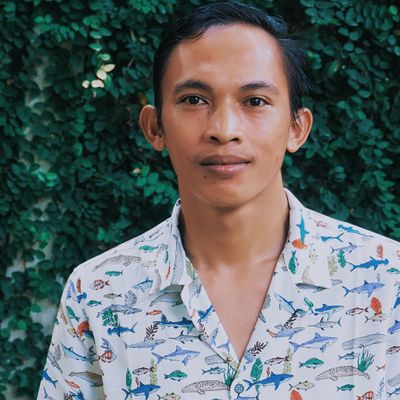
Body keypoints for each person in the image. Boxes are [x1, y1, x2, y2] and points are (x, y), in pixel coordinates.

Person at [37, 2, 400, 399]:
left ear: (297, 128)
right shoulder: (98, 292)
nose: (224, 130)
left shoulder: (388, 280)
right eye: (194, 99)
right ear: (155, 127)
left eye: (255, 101)